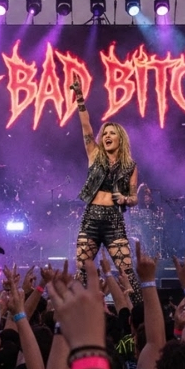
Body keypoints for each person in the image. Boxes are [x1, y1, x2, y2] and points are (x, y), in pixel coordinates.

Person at [70, 75, 140, 301]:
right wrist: (80, 98)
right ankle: (79, 321)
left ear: (120, 139)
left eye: (112, 133)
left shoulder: (130, 165)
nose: (107, 136)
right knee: (82, 273)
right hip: (91, 218)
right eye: (105, 133)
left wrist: (125, 199)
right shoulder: (94, 154)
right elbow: (86, 126)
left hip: (113, 220)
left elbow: (134, 197)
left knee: (127, 272)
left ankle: (136, 319)